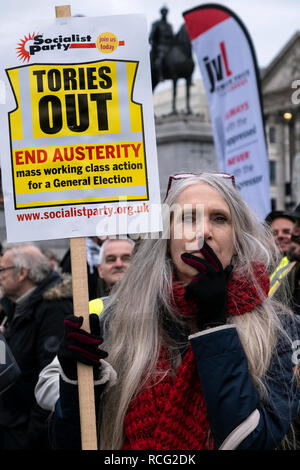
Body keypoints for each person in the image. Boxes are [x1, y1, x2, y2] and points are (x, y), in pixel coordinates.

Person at [46, 173, 299, 450]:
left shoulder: (279, 327)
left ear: (237, 238)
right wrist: (75, 384)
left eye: (219, 218)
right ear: (166, 238)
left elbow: (252, 442)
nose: (203, 232)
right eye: (187, 218)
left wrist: (214, 329)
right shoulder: (117, 320)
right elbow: (72, 443)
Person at [0, 243, 73, 449]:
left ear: (22, 273)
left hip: (29, 434)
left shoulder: (54, 308)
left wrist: (31, 438)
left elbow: (50, 378)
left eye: (2, 269)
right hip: (12, 424)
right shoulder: (16, 306)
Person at [269, 204, 300, 314]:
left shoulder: (294, 263)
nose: (280, 236)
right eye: (274, 233)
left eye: (286, 231)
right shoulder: (262, 267)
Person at [149, 6, 174, 83]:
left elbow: (173, 38)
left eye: (166, 12)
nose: (165, 13)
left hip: (169, 47)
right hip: (160, 47)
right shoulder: (156, 24)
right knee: (160, 58)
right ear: (161, 13)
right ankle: (160, 75)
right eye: (163, 12)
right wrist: (155, 46)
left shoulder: (169, 26)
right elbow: (151, 37)